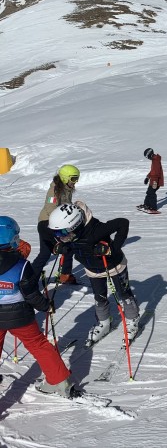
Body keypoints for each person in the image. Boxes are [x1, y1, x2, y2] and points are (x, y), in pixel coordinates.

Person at [0, 216, 73, 397]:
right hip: (20, 316)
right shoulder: (22, 265)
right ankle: (59, 381)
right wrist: (46, 306)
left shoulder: (21, 263)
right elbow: (31, 294)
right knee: (38, 344)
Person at [48, 202, 140, 344]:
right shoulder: (70, 235)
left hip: (113, 266)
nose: (60, 237)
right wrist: (63, 247)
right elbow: (71, 243)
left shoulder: (96, 230)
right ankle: (104, 322)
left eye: (62, 233)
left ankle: (133, 319)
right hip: (92, 270)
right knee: (99, 297)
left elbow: (123, 223)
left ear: (75, 225)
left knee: (124, 294)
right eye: (56, 233)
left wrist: (112, 249)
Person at [31, 165, 80, 285]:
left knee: (47, 253)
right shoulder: (54, 190)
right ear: (65, 178)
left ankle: (64, 275)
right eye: (73, 179)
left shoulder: (67, 189)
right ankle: (29, 280)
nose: (75, 182)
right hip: (47, 224)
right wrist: (61, 223)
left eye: (77, 178)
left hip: (57, 224)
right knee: (64, 248)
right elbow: (50, 208)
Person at [140, 148, 164, 213]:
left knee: (152, 193)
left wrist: (155, 182)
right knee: (149, 192)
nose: (148, 158)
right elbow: (153, 171)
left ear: (149, 154)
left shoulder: (156, 160)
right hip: (153, 180)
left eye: (147, 157)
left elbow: (157, 173)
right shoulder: (154, 160)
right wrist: (147, 177)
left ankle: (153, 208)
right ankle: (147, 205)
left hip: (155, 181)